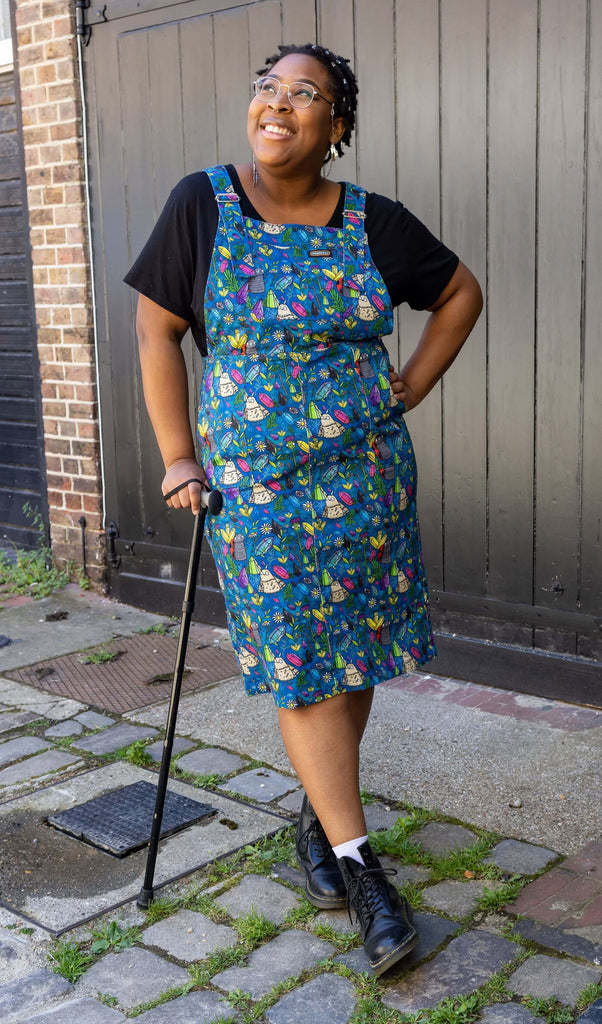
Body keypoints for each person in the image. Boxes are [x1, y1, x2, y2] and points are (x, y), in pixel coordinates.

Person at [125, 42, 482, 975]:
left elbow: (459, 294)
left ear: (336, 126)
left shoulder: (373, 220)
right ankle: (364, 870)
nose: (278, 105)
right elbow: (158, 332)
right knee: (302, 663)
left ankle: (323, 819)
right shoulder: (202, 202)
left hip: (364, 478)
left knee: (353, 647)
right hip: (257, 489)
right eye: (267, 89)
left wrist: (410, 383)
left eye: (304, 94)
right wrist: (177, 457)